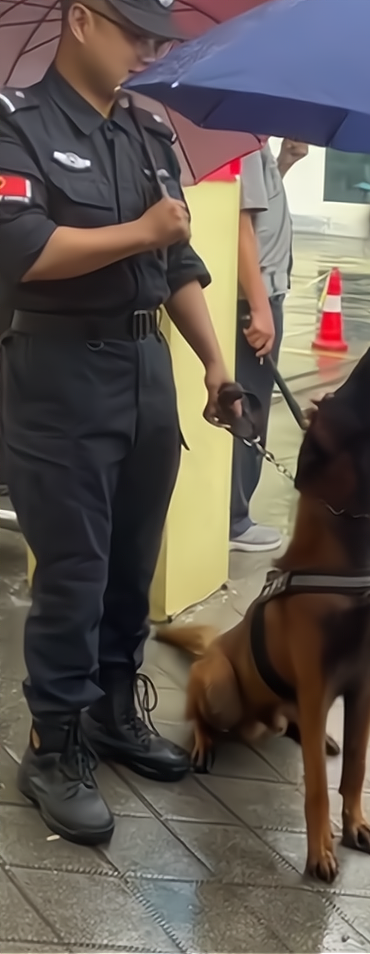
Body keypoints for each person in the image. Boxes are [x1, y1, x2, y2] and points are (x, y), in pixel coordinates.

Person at [0, 0, 238, 845]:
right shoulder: (15, 125)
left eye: (158, 36)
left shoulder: (147, 135)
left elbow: (176, 263)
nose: (149, 49)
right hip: (58, 369)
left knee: (133, 560)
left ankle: (110, 711)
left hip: (144, 369)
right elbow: (20, 246)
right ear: (78, 19)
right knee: (75, 568)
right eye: (135, 30)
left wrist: (214, 360)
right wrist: (139, 229)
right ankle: (50, 745)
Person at [230, 138, 307, 552]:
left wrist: (284, 162)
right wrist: (259, 307)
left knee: (251, 401)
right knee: (250, 406)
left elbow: (260, 211)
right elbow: (242, 225)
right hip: (254, 298)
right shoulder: (242, 139)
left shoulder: (256, 145)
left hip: (261, 294)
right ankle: (233, 520)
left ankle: (233, 515)